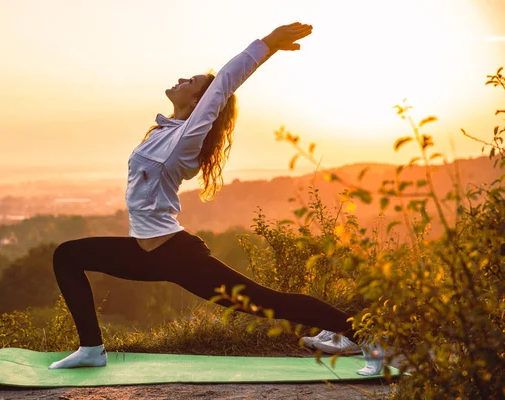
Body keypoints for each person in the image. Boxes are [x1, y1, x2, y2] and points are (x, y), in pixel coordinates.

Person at [48, 22, 385, 375]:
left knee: (267, 303)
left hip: (176, 255)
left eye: (190, 82)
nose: (181, 79)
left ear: (198, 102)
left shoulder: (187, 138)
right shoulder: (166, 132)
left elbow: (224, 81)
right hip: (143, 253)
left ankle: (369, 339)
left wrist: (267, 43)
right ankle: (91, 348)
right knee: (67, 256)